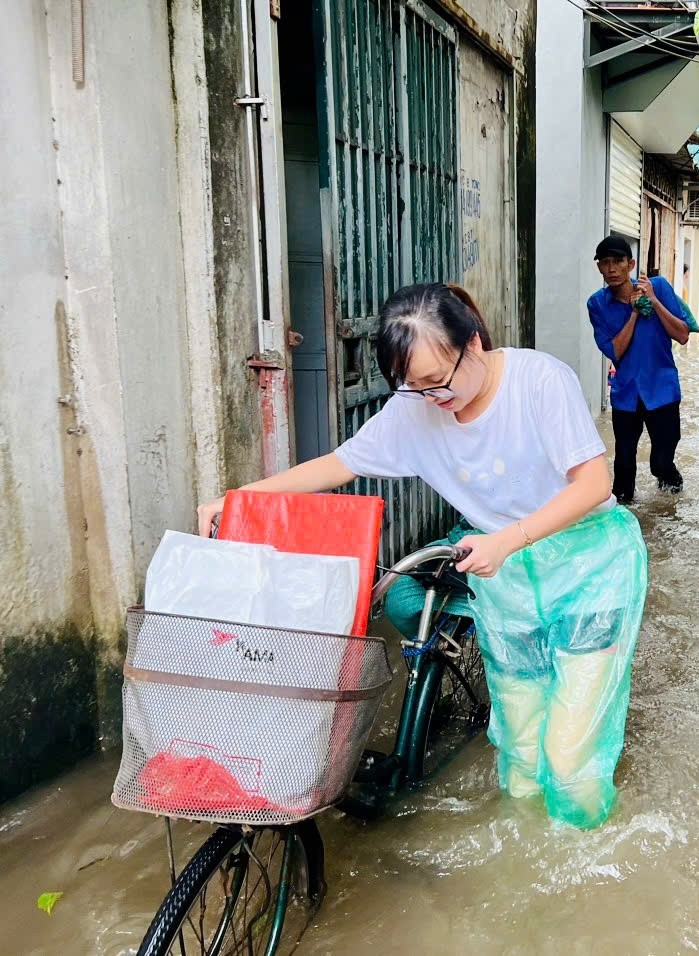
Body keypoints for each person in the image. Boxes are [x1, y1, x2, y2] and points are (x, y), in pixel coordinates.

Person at [196, 283, 648, 830]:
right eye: (414, 387)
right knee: (523, 750)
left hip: (587, 567)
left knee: (571, 755)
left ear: (474, 343)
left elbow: (594, 483)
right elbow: (338, 465)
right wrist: (239, 498)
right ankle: (529, 871)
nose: (432, 399)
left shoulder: (539, 381)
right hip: (507, 578)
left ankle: (586, 866)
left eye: (437, 381)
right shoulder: (413, 409)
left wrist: (508, 539)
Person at [587, 234, 690, 504]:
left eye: (617, 261)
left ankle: (671, 509)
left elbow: (682, 335)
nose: (611, 269)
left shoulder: (659, 287)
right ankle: (626, 525)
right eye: (605, 263)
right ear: (599, 267)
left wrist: (653, 301)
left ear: (630, 264)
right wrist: (633, 313)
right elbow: (615, 351)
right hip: (626, 394)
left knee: (661, 463)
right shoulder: (596, 304)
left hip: (663, 391)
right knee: (623, 466)